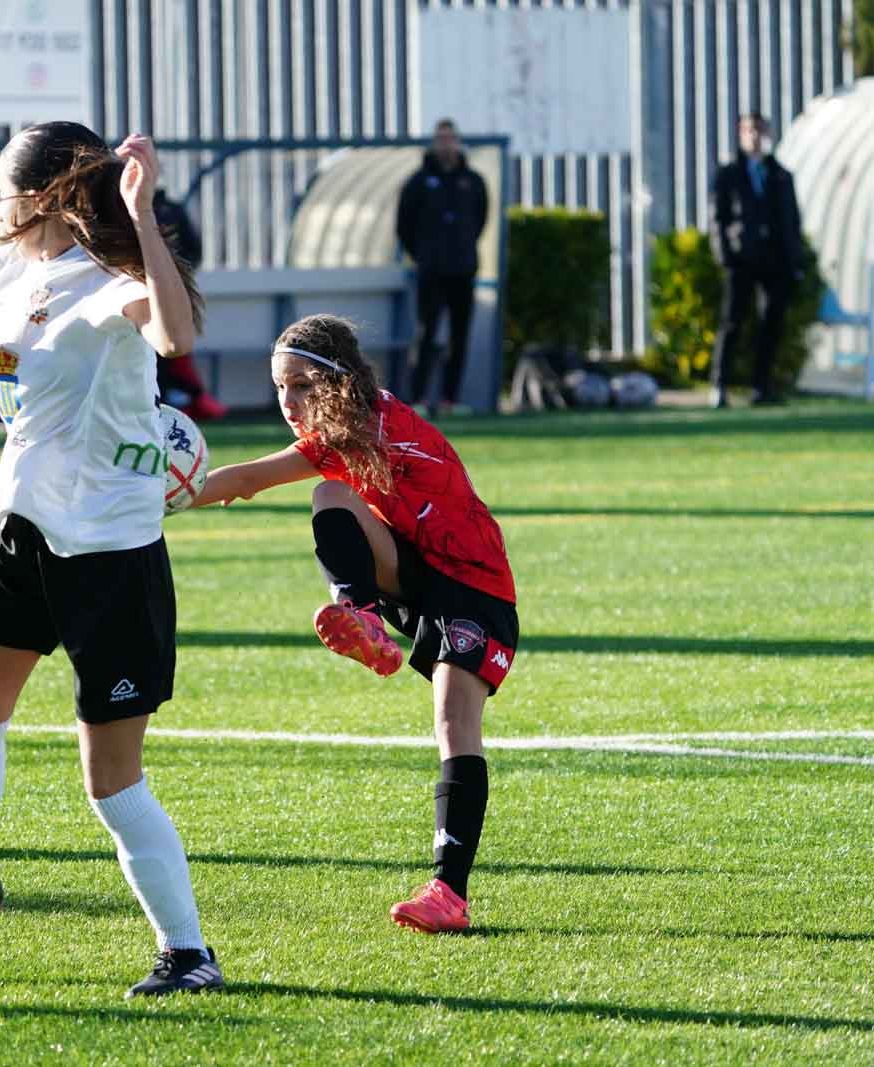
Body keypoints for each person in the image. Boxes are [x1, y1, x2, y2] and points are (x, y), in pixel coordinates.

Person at [0, 122, 224, 998]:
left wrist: (141, 212)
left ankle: (187, 952)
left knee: (110, 783)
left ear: (39, 196)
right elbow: (10, 404)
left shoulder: (109, 280)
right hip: (23, 533)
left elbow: (177, 338)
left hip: (110, 555)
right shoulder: (10, 274)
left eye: (5, 191)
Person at [193, 313, 518, 934]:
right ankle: (362, 615)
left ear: (338, 383)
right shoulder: (345, 428)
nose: (288, 402)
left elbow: (247, 479)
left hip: (475, 592)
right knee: (332, 498)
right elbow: (246, 480)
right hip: (412, 570)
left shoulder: (371, 428)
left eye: (302, 386)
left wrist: (144, 499)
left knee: (454, 722)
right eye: (280, 387)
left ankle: (449, 892)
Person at [708, 112, 804, 407]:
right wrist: (725, 255)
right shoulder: (728, 174)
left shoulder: (780, 174)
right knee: (732, 322)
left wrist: (795, 261)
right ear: (740, 133)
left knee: (771, 324)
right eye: (749, 130)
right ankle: (720, 386)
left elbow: (792, 221)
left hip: (774, 260)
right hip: (742, 259)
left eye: (759, 131)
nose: (754, 136)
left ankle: (761, 387)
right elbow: (718, 219)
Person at [396, 119, 489, 415]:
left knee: (459, 336)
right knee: (426, 333)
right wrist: (424, 254)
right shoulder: (418, 181)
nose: (447, 145)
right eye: (441, 139)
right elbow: (404, 226)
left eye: (452, 139)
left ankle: (451, 399)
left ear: (458, 142)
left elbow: (480, 219)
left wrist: (462, 249)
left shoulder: (472, 181)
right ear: (434, 144)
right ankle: (420, 399)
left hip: (463, 269)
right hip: (431, 270)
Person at [151, 188, 227, 422]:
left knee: (169, 358)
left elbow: (193, 251)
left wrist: (173, 277)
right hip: (145, 300)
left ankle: (177, 405)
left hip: (170, 299)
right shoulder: (117, 207)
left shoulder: (170, 210)